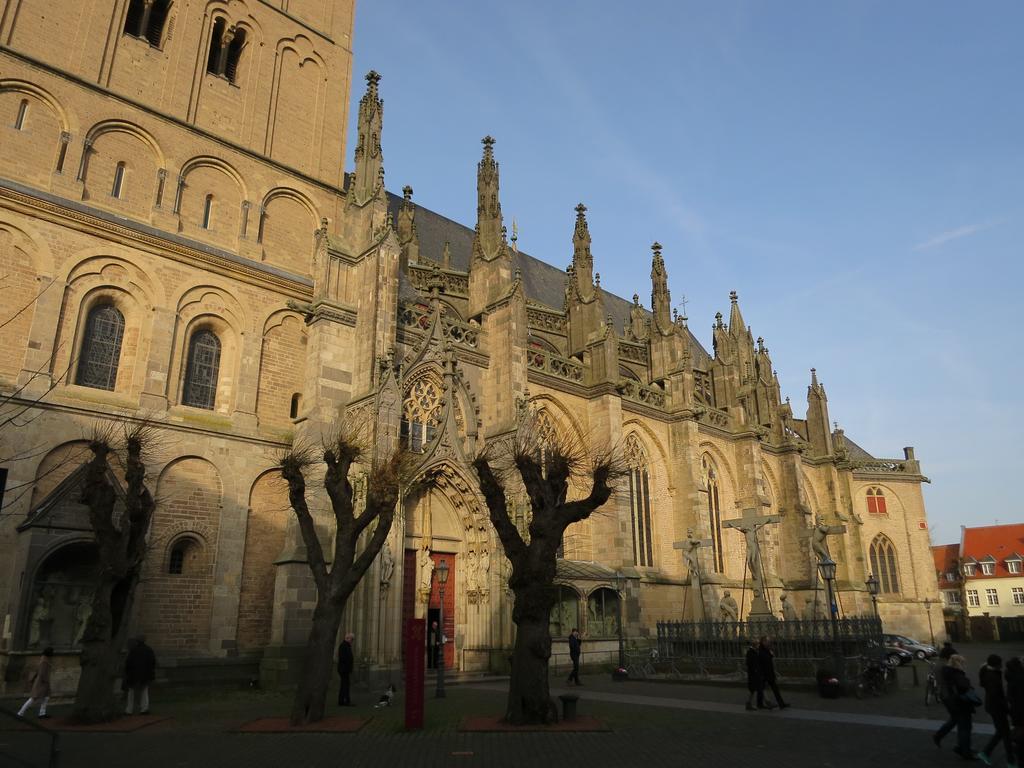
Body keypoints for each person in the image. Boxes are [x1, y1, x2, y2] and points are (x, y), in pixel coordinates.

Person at [934, 654, 978, 759]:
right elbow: (963, 687)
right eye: (963, 663)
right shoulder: (956, 674)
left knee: (955, 720)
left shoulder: (946, 670)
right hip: (958, 702)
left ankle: (939, 736)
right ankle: (964, 750)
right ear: (959, 663)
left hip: (949, 700)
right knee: (965, 727)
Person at [978, 654, 1014, 766]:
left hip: (993, 707)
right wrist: (1007, 708)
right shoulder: (992, 677)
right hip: (997, 709)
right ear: (997, 664)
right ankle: (1011, 761)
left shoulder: (989, 673)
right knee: (1006, 735)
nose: (1002, 665)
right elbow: (996, 696)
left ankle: (985, 752)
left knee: (1001, 732)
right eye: (1000, 663)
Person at [123, 635, 157, 715]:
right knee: (144, 691)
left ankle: (129, 710)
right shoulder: (149, 650)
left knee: (131, 692)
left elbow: (129, 663)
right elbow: (152, 662)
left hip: (133, 674)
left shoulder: (133, 650)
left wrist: (127, 672)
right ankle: (144, 709)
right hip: (145, 674)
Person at [17, 647, 53, 719]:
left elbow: (38, 671)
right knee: (33, 698)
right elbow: (41, 673)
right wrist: (46, 681)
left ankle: (42, 713)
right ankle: (20, 713)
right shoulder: (44, 661)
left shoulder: (44, 659)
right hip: (42, 683)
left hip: (43, 682)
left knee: (46, 697)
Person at [758, 636, 788, 709]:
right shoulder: (760, 650)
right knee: (761, 689)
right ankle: (760, 704)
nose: (768, 643)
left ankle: (781, 704)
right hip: (764, 673)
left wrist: (771, 653)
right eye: (767, 641)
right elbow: (763, 660)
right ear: (763, 642)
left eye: (769, 641)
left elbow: (770, 657)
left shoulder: (767, 649)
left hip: (769, 672)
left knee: (774, 689)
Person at [1005, 657, 1024, 755]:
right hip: (1020, 708)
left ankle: (1016, 745)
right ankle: (1017, 745)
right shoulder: (1020, 678)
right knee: (1020, 728)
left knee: (1018, 727)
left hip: (1014, 708)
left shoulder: (1010, 676)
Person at [745, 638, 767, 711]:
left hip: (756, 674)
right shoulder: (750, 652)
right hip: (753, 675)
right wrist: (755, 670)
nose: (759, 646)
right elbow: (749, 663)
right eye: (758, 644)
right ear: (755, 645)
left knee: (759, 689)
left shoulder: (755, 652)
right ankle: (750, 704)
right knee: (754, 690)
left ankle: (763, 703)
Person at [337, 632, 354, 706]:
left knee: (345, 685)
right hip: (344, 669)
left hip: (345, 669)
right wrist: (348, 666)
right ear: (348, 638)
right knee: (345, 685)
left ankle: (343, 701)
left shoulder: (346, 646)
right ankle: (345, 701)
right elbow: (344, 658)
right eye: (352, 639)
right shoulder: (344, 646)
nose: (352, 641)